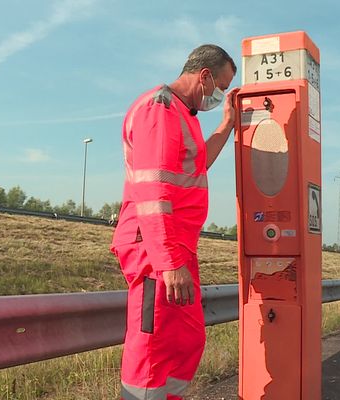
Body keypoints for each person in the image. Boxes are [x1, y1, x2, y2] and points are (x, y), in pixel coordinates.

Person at [110, 44, 239, 400]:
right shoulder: (160, 110)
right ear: (204, 76)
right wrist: (169, 262)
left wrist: (227, 124)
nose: (221, 94)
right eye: (222, 87)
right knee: (154, 351)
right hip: (156, 250)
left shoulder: (181, 115)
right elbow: (152, 192)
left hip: (173, 246)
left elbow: (196, 166)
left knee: (183, 339)